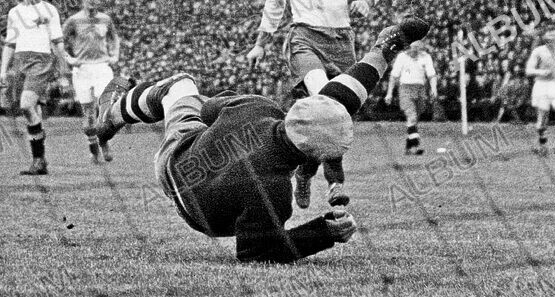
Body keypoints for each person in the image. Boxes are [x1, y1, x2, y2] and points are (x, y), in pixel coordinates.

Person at [95, 16, 430, 263]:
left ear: (296, 111)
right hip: (196, 211)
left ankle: (113, 114)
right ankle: (383, 51)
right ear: (313, 158)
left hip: (180, 158)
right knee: (329, 111)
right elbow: (255, 251)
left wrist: (229, 135)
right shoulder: (275, 192)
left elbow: (209, 110)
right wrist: (323, 233)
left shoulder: (257, 107)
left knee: (179, 85)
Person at [246, 0, 380, 209]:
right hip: (304, 38)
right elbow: (274, 5)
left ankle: (305, 173)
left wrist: (365, 1)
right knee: (326, 102)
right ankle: (335, 184)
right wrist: (260, 44)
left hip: (341, 42)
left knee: (333, 115)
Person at [0, 0, 73, 175]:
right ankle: (39, 160)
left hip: (41, 61)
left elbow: (57, 43)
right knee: (30, 111)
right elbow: (10, 44)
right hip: (20, 62)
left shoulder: (49, 10)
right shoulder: (14, 12)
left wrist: (64, 74)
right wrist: (3, 71)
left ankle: (39, 159)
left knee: (26, 105)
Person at [63, 0, 121, 163]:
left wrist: (115, 55)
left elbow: (114, 38)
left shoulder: (105, 19)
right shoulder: (74, 20)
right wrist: (69, 59)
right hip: (82, 69)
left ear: (99, 0)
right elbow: (59, 41)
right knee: (88, 114)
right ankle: (94, 149)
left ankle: (103, 140)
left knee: (104, 106)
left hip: (102, 67)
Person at [525, 26, 555, 157]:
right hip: (542, 85)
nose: (551, 38)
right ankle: (543, 145)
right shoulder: (538, 51)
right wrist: (541, 72)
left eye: (554, 35)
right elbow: (528, 70)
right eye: (549, 35)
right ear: (544, 37)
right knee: (542, 120)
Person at [384, 40, 437, 155]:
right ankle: (415, 147)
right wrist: (389, 93)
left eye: (418, 47)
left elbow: (431, 74)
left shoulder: (425, 57)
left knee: (414, 119)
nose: (415, 49)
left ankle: (408, 148)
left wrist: (434, 89)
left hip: (420, 89)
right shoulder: (402, 57)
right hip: (405, 89)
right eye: (413, 47)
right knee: (412, 116)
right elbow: (394, 76)